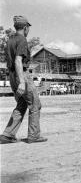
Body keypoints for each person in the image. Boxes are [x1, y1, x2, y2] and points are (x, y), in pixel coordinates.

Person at [0, 16, 47, 144]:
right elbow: (18, 60)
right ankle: (34, 135)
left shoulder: (10, 40)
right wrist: (22, 81)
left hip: (11, 75)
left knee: (22, 104)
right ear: (25, 27)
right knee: (35, 104)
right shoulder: (22, 40)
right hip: (22, 75)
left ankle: (7, 135)